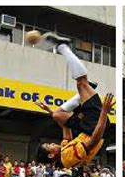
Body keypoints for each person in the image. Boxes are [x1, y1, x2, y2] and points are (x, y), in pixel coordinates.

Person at [34, 33, 113, 168]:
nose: (53, 143)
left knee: (58, 115)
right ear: (51, 155)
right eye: (49, 146)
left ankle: (85, 91)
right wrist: (104, 113)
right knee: (81, 82)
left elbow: (66, 133)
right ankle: (62, 46)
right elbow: (94, 140)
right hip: (95, 128)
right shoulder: (68, 158)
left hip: (86, 128)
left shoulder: (64, 152)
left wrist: (50, 111)